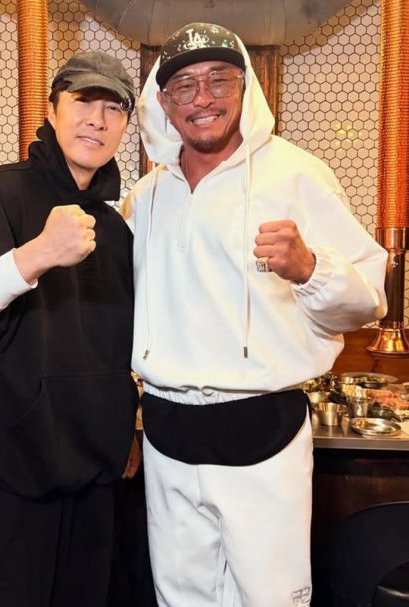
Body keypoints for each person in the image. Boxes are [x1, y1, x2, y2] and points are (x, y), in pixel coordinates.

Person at [121, 22, 388, 607]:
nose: (203, 98)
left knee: (270, 597)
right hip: (167, 431)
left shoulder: (296, 174)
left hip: (262, 430)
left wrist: (310, 267)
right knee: (179, 596)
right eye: (185, 85)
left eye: (219, 80)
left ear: (246, 88)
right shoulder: (146, 196)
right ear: (163, 101)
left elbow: (370, 296)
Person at [0, 50, 140, 607]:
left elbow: (114, 350)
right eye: (83, 101)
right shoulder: (0, 193)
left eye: (113, 108)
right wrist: (32, 257)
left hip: (92, 492)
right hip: (1, 491)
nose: (97, 119)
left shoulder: (116, 230)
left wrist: (126, 426)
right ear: (53, 111)